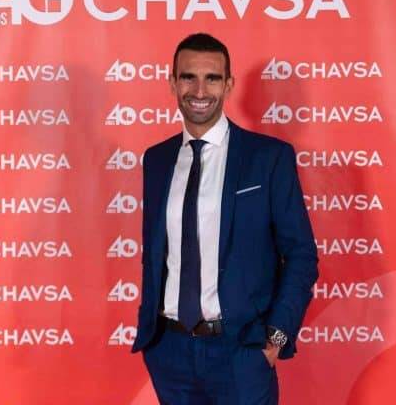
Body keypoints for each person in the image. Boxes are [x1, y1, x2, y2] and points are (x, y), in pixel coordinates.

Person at [131, 33, 319, 404]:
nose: (200, 90)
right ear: (173, 83)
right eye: (188, 77)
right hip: (170, 352)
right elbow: (158, 253)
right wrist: (154, 339)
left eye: (212, 78)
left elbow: (301, 254)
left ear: (228, 85)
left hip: (241, 352)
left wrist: (276, 337)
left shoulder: (268, 158)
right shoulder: (157, 159)